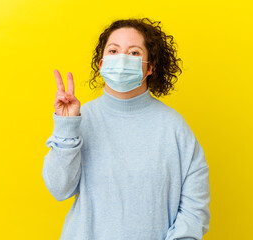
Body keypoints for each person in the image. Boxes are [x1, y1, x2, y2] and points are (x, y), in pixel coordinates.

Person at [42, 18, 210, 240]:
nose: (121, 59)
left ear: (150, 67)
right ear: (101, 64)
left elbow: (194, 210)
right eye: (113, 50)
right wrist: (66, 126)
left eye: (133, 53)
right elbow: (59, 189)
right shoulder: (81, 119)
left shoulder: (174, 128)